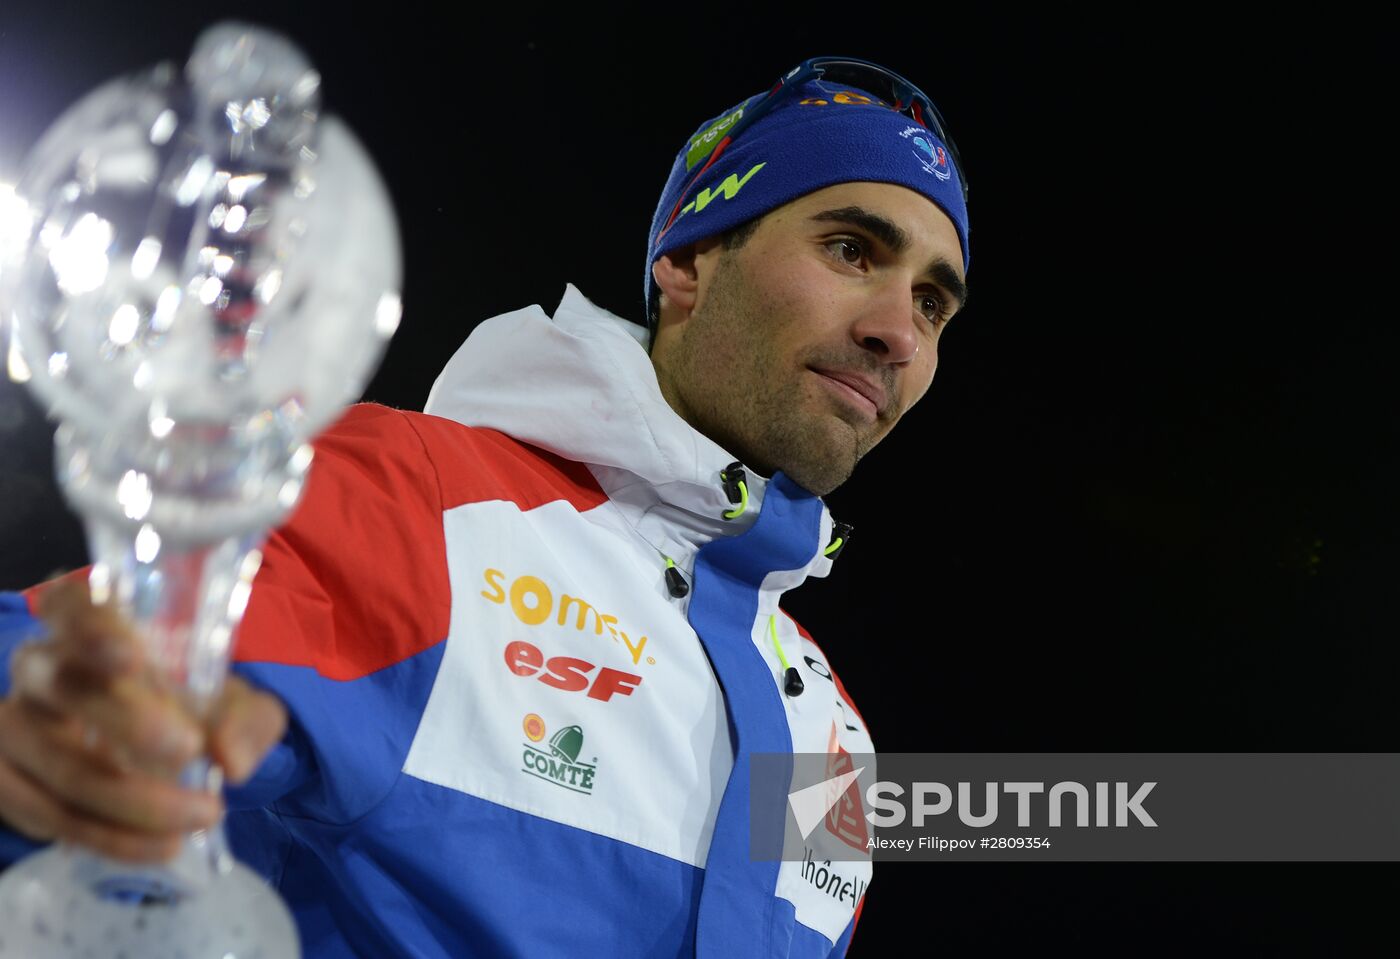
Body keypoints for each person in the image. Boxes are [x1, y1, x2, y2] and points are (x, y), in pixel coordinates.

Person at [0, 56, 970, 957]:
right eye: (850, 249)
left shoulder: (833, 729)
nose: (899, 332)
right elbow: (59, 693)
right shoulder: (421, 505)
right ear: (689, 260)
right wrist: (48, 734)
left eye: (933, 303)